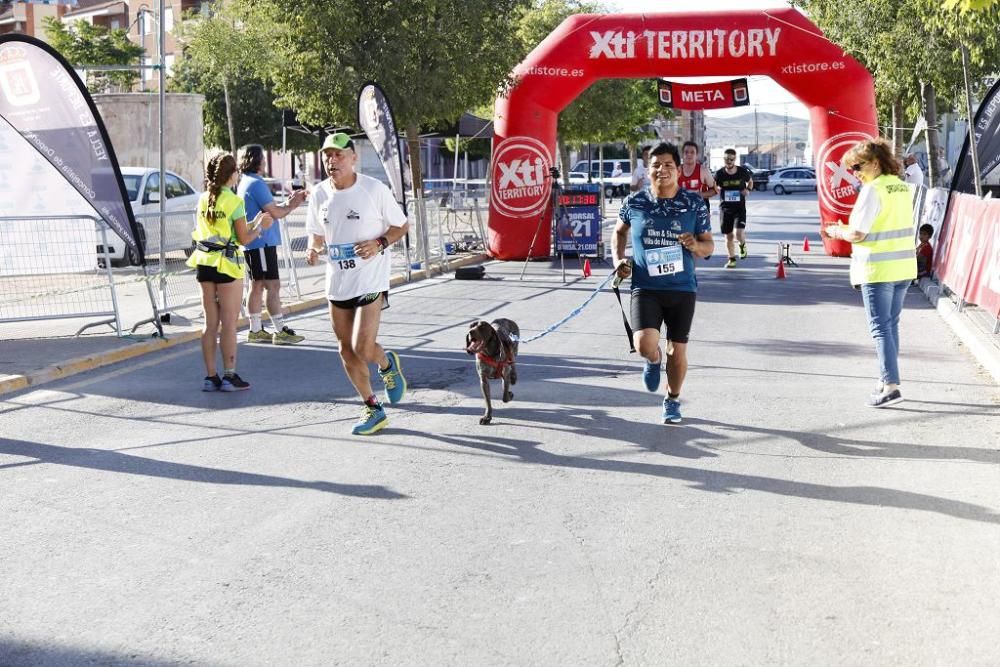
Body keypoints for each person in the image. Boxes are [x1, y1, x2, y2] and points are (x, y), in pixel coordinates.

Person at [305, 132, 410, 435]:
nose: (332, 160)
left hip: (370, 277)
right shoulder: (320, 193)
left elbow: (401, 224)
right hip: (338, 281)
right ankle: (373, 408)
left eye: (338, 155)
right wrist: (313, 247)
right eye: (327, 155)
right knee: (345, 350)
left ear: (353, 158)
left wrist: (379, 242)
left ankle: (386, 364)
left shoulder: (373, 189)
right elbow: (317, 232)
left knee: (362, 347)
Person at [612, 142, 714, 424]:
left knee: (677, 349)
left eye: (668, 165)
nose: (662, 170)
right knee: (645, 344)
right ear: (648, 170)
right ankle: (652, 360)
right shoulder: (635, 202)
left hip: (682, 288)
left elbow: (709, 247)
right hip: (645, 287)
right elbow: (618, 233)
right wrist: (618, 260)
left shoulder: (693, 203)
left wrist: (695, 245)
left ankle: (672, 400)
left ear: (679, 170)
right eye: (656, 165)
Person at [823, 137, 917, 408]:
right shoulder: (900, 187)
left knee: (880, 327)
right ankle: (886, 378)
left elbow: (857, 233)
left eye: (857, 167)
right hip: (903, 267)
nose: (854, 174)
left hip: (878, 268)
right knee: (891, 326)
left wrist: (835, 230)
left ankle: (890, 385)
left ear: (875, 164)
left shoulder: (872, 191)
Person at [187, 153, 273, 391]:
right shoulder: (234, 201)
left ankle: (210, 376)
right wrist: (261, 227)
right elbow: (244, 238)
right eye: (236, 171)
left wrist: (253, 222)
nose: (238, 174)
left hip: (204, 262)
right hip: (226, 265)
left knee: (210, 323)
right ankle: (229, 375)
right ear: (230, 175)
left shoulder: (204, 199)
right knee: (229, 323)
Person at [237, 144, 309, 345]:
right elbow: (275, 212)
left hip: (256, 241)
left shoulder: (246, 182)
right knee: (270, 285)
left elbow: (273, 209)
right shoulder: (256, 184)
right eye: (263, 158)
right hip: (261, 241)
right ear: (258, 160)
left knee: (258, 285)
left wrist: (290, 203)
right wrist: (293, 204)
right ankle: (277, 329)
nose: (265, 161)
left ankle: (257, 329)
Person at [713, 148, 754, 268]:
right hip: (725, 208)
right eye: (726, 159)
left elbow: (750, 182)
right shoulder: (719, 174)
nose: (729, 161)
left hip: (739, 208)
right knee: (728, 236)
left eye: (731, 159)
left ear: (735, 160)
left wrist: (748, 190)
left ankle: (742, 246)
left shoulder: (742, 172)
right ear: (724, 159)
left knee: (738, 233)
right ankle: (732, 259)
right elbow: (713, 185)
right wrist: (717, 189)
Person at [679, 141, 718, 210]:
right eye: (686, 152)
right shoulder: (675, 171)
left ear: (696, 155)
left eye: (692, 152)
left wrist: (699, 195)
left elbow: (715, 191)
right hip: (681, 211)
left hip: (698, 212)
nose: (689, 154)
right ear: (682, 154)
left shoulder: (703, 171)